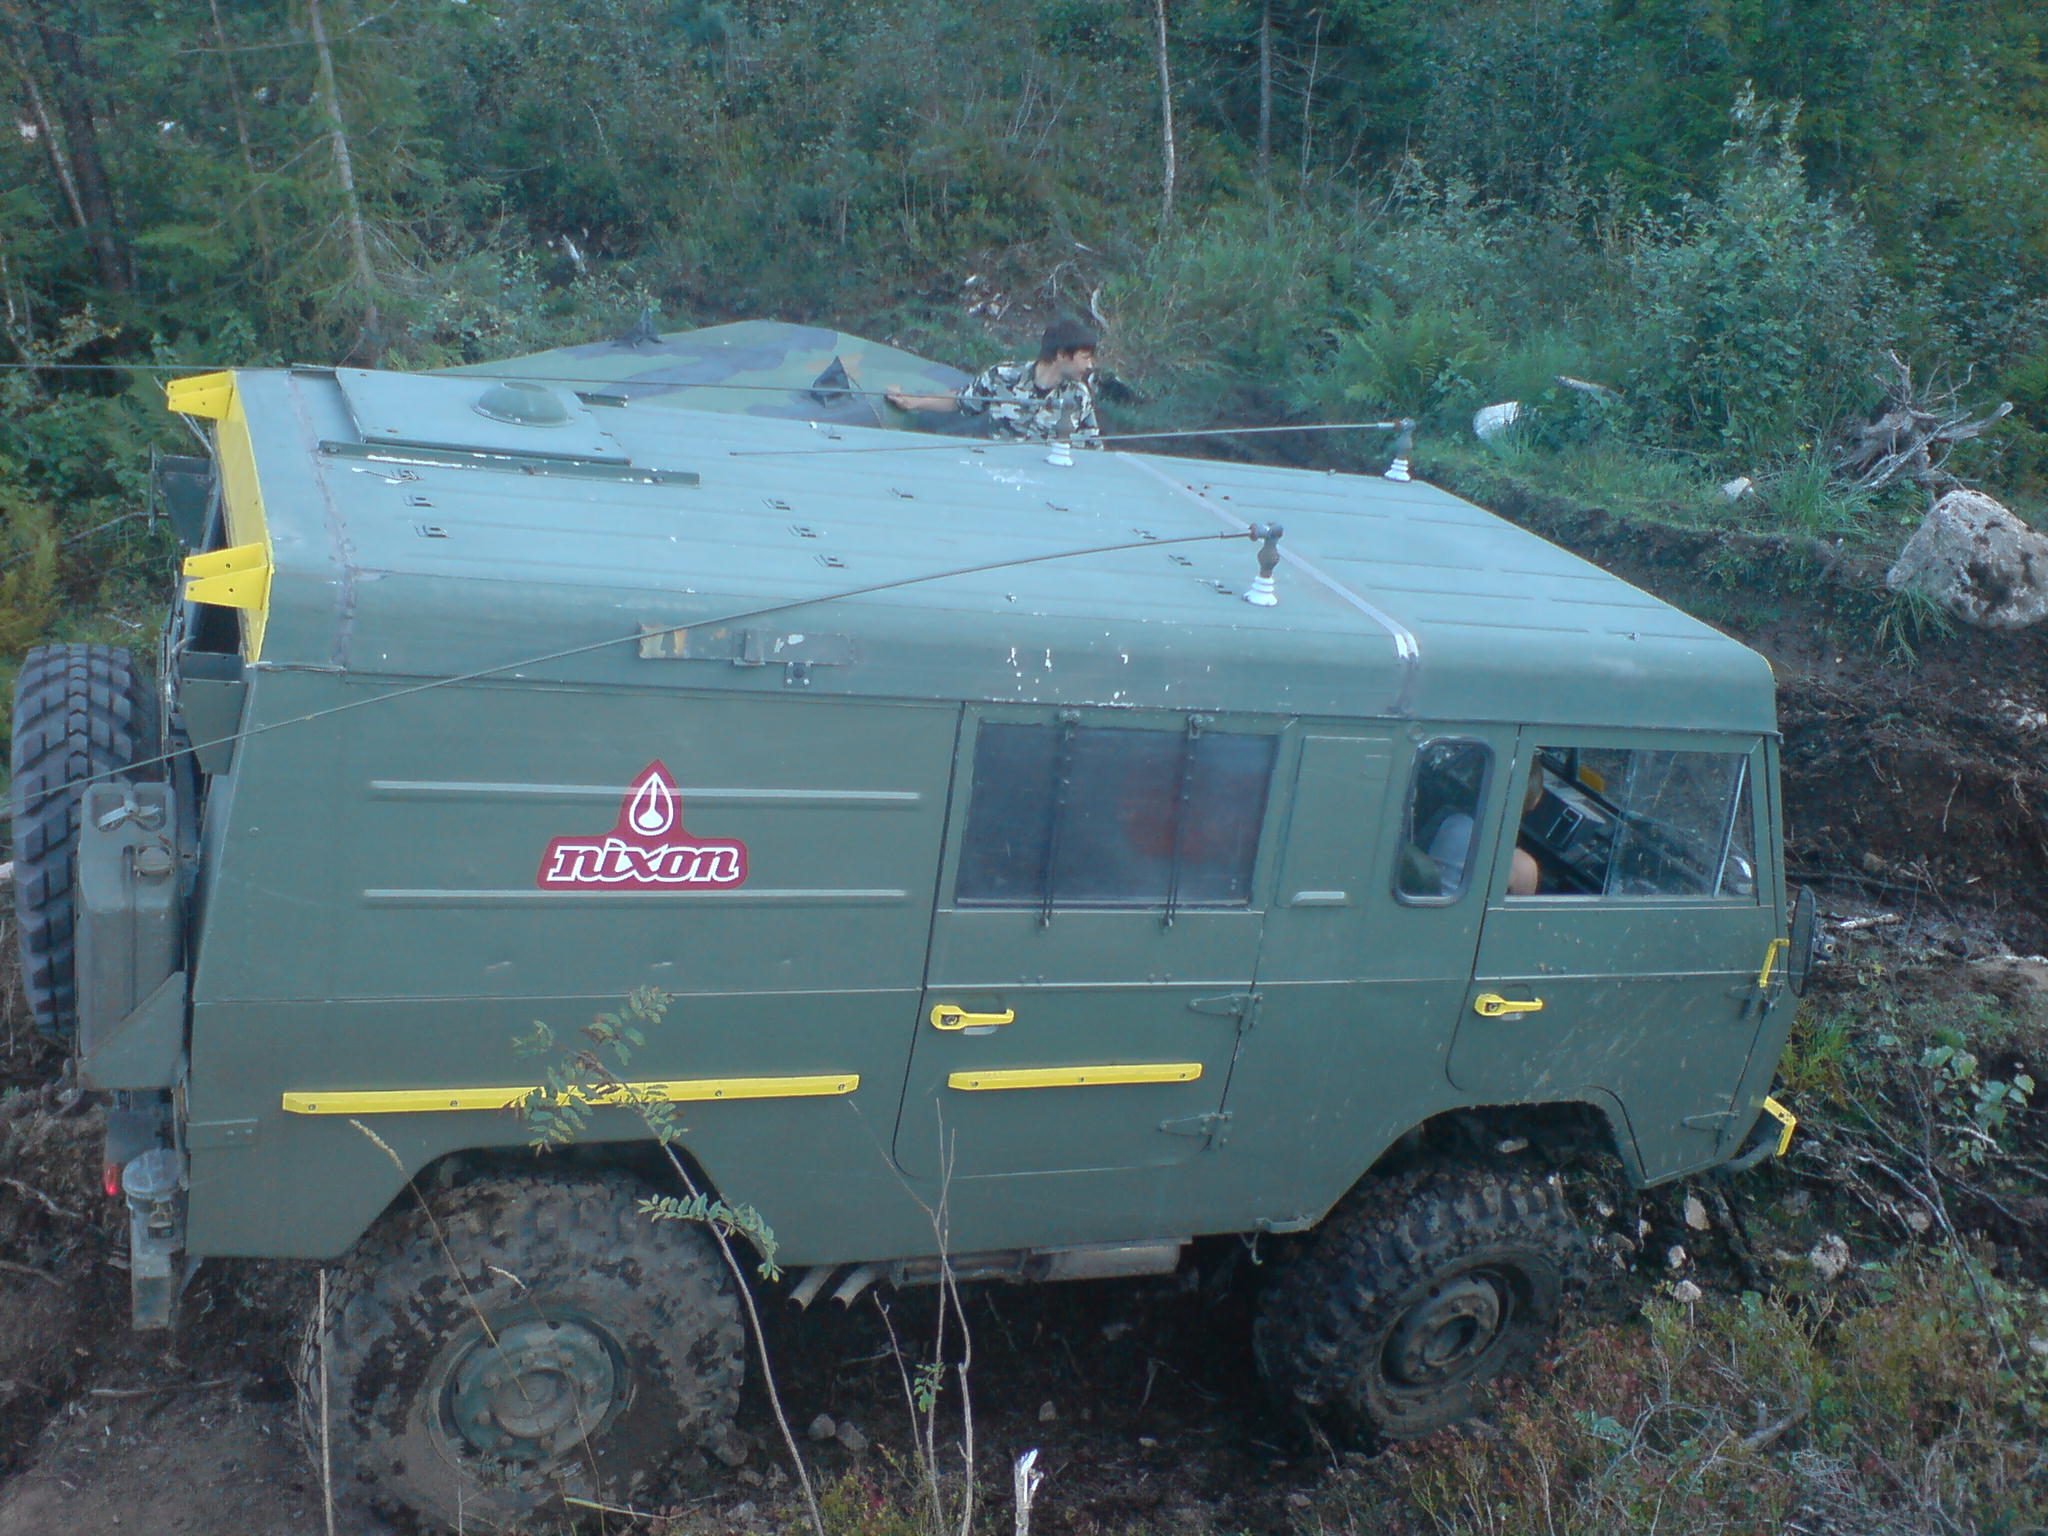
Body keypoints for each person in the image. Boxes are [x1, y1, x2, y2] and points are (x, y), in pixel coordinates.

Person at [887, 318, 1102, 446]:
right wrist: (913, 402)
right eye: (1085, 358)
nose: (1090, 365)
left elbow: (1092, 448)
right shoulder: (1003, 376)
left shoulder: (1079, 396)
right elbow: (961, 401)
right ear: (1062, 355)